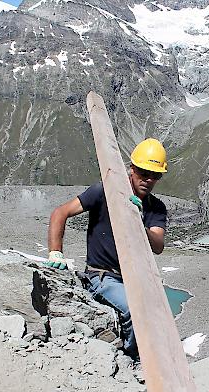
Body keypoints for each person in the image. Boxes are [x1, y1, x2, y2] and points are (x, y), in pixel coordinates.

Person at [44, 138, 168, 359]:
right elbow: (60, 213)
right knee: (135, 311)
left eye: (155, 175)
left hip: (134, 278)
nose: (148, 180)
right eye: (143, 172)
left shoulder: (155, 208)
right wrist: (56, 251)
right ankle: (133, 361)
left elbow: (157, 245)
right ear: (132, 169)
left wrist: (139, 221)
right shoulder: (104, 192)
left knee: (160, 316)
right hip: (102, 276)